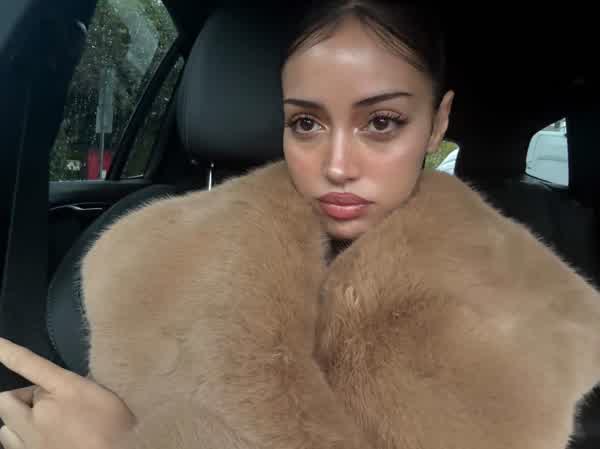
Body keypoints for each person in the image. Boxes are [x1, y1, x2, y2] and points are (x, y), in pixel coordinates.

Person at [0, 2, 599, 449]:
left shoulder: (532, 319)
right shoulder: (148, 259)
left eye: (382, 122)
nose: (336, 166)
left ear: (437, 123)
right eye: (306, 124)